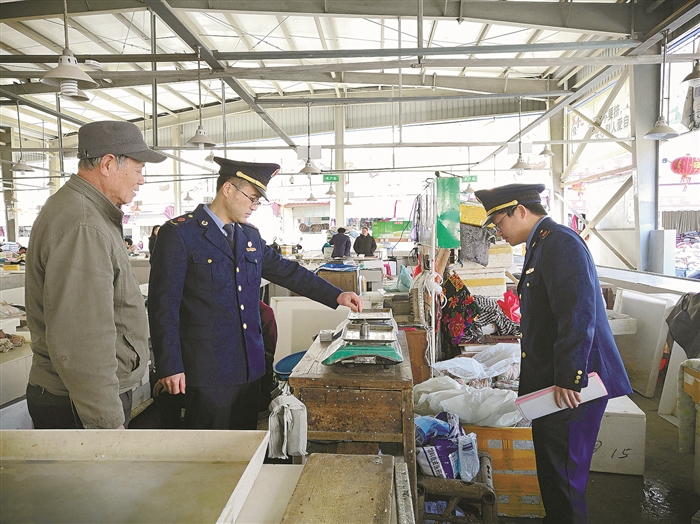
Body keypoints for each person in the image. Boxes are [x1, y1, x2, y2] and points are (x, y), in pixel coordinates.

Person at [148, 158, 363, 430]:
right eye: (251, 197)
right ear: (227, 189)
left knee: (244, 448)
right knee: (208, 452)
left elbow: (287, 271)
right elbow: (163, 306)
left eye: (257, 201)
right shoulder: (180, 234)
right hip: (205, 368)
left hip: (248, 366)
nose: (253, 206)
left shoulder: (249, 237)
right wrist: (169, 365)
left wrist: (336, 295)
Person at [474, 183, 632, 524]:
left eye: (499, 220)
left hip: (575, 385)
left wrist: (569, 377)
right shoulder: (539, 245)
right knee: (553, 469)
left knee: (564, 476)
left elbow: (578, 313)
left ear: (520, 210)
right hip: (556, 381)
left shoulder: (558, 242)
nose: (497, 230)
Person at [24, 120, 167, 429]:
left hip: (82, 396)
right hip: (81, 402)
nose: (141, 180)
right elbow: (82, 339)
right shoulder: (83, 224)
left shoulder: (86, 212)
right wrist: (107, 422)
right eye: (139, 169)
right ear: (106, 164)